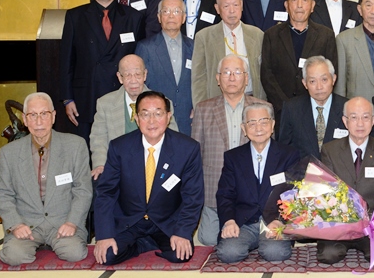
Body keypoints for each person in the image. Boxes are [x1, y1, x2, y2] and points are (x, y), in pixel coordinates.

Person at [93, 91, 204, 265]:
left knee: (180, 255)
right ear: (137, 118)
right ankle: (143, 244)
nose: (152, 121)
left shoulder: (187, 149)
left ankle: (149, 242)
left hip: (166, 222)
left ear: (168, 117)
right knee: (107, 256)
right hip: (130, 221)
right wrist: (104, 235)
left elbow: (193, 197)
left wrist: (182, 232)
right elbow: (106, 193)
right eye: (145, 114)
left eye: (158, 114)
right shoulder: (119, 147)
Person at [0, 92, 91, 266]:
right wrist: (16, 224)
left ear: (53, 116)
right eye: (33, 115)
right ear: (25, 119)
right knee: (14, 256)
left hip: (62, 222)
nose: (39, 121)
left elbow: (83, 190)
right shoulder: (9, 153)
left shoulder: (75, 145)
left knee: (74, 253)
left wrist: (72, 222)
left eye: (44, 114)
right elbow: (2, 194)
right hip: (27, 224)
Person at [60, 0, 145, 142]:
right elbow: (66, 61)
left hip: (123, 93)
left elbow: (140, 58)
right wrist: (68, 99)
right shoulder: (75, 17)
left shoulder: (133, 17)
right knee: (90, 150)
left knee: (124, 148)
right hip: (86, 96)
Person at [192, 55, 270, 246]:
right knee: (209, 239)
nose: (232, 77)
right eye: (226, 72)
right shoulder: (203, 109)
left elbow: (271, 155)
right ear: (218, 79)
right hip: (215, 188)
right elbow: (195, 155)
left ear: (246, 78)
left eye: (237, 72)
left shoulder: (262, 108)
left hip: (253, 191)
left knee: (259, 238)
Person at [318, 97, 374, 264]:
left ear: (373, 120)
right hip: (340, 223)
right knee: (328, 255)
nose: (360, 123)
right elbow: (325, 188)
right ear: (345, 121)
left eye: (365, 117)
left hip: (373, 223)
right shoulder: (330, 150)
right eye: (354, 117)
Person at [215, 103, 299, 263]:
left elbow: (293, 193)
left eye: (264, 122)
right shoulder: (233, 157)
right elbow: (225, 194)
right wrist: (229, 221)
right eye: (252, 123)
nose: (258, 128)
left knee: (275, 253)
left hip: (273, 222)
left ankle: (263, 243)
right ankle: (252, 242)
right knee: (228, 253)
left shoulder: (289, 154)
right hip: (243, 222)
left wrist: (280, 221)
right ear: (243, 128)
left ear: (272, 125)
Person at [90, 54, 177, 179]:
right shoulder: (105, 103)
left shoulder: (162, 103)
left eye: (138, 74)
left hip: (154, 168)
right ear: (120, 77)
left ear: (145, 75)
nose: (133, 80)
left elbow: (173, 139)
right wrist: (100, 164)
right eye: (127, 75)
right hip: (119, 169)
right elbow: (99, 138)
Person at [261, 0, 337, 116]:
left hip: (315, 109)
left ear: (312, 6)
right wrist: (285, 106)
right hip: (281, 111)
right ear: (286, 5)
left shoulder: (326, 35)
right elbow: (267, 75)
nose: (299, 5)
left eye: (305, 0)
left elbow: (332, 73)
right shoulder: (271, 35)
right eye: (294, 0)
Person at [191, 0, 265, 106]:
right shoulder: (204, 37)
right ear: (217, 8)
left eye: (236, 5)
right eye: (226, 6)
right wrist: (200, 107)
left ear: (241, 5)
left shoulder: (257, 35)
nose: (232, 11)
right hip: (218, 103)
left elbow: (264, 74)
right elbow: (198, 78)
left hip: (252, 102)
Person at [135, 0, 194, 135]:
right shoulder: (146, 47)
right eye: (166, 11)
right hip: (155, 121)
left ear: (184, 18)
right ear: (159, 17)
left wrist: (197, 106)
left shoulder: (194, 46)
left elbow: (201, 81)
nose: (171, 15)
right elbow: (140, 85)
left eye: (177, 11)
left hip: (188, 117)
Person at [278, 56, 347, 159]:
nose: (319, 87)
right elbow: (285, 149)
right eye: (312, 81)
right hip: (302, 168)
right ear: (305, 84)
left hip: (339, 168)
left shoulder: (347, 107)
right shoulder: (292, 109)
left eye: (324, 80)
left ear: (333, 79)